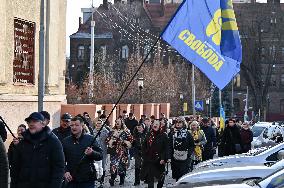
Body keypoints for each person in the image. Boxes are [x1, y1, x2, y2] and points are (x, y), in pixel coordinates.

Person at [11, 112, 65, 188]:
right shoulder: (22, 143)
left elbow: (59, 169)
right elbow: (15, 169)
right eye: (29, 122)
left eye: (35, 121)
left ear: (43, 124)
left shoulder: (53, 142)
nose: (31, 124)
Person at [62, 116, 103, 188]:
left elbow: (100, 156)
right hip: (71, 179)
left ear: (82, 126)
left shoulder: (90, 139)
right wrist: (65, 171)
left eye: (77, 125)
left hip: (87, 179)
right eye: (72, 125)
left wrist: (92, 153)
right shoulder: (66, 141)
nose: (74, 127)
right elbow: (61, 159)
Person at [141, 120, 169, 188]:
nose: (155, 125)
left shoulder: (163, 135)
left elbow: (166, 148)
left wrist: (163, 158)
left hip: (159, 160)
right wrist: (144, 155)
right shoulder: (149, 134)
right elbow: (144, 145)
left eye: (157, 124)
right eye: (154, 124)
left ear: (160, 126)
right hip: (149, 159)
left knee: (160, 177)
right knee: (150, 178)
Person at [106, 118, 133, 186]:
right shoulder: (112, 131)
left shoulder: (126, 131)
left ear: (122, 122)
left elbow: (131, 140)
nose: (117, 123)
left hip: (123, 152)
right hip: (114, 152)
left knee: (122, 166)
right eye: (116, 122)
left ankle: (122, 180)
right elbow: (107, 140)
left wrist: (125, 142)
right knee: (113, 165)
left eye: (118, 122)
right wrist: (112, 140)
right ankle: (112, 179)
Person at [93, 119, 109, 187]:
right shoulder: (93, 131)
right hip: (95, 151)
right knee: (95, 166)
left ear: (102, 124)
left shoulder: (106, 131)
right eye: (97, 123)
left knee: (102, 166)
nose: (98, 125)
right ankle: (96, 180)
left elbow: (108, 140)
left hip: (103, 151)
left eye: (100, 123)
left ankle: (101, 182)